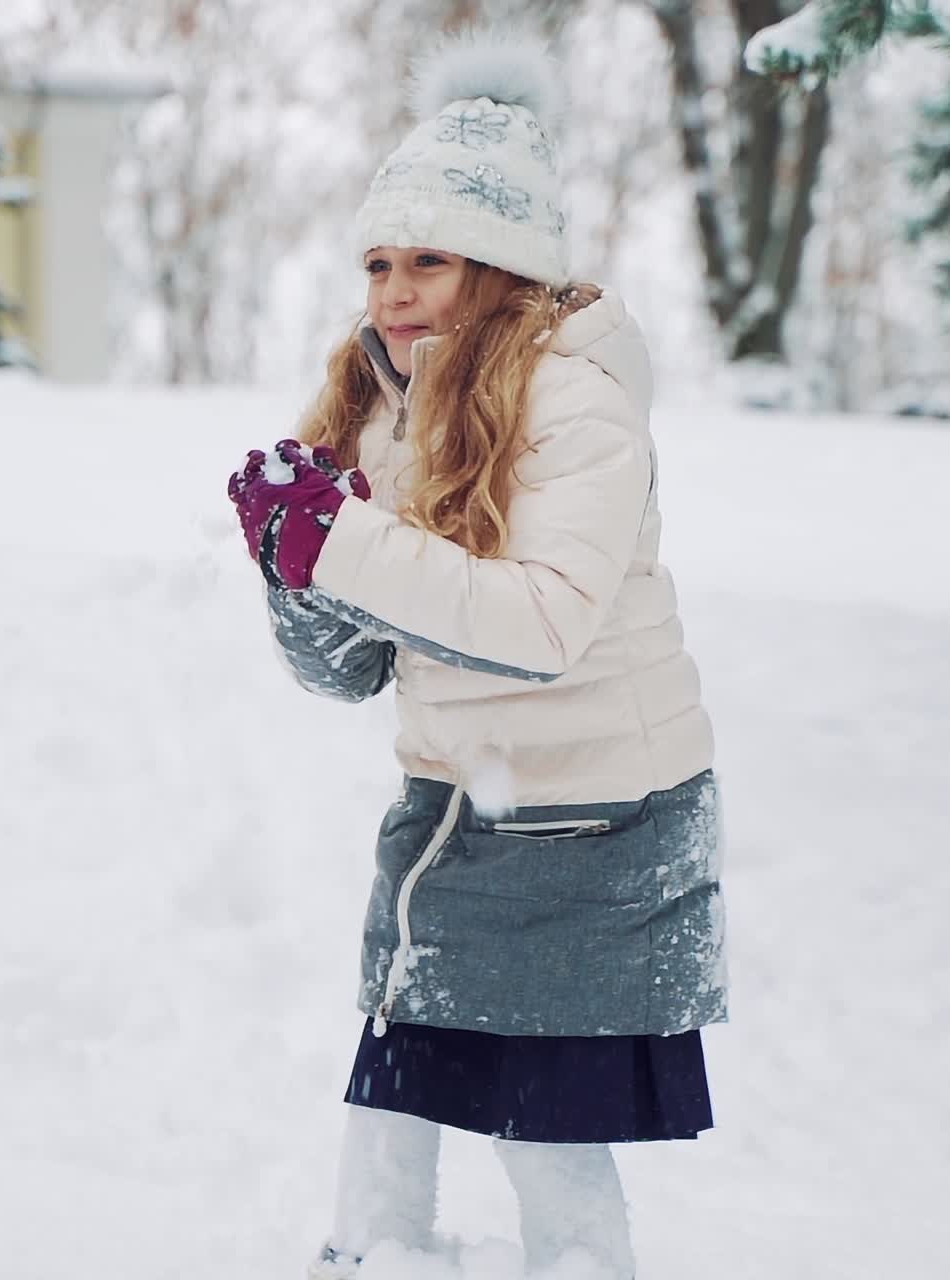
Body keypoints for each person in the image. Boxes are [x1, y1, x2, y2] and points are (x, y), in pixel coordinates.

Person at [226, 29, 726, 1280]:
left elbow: (542, 624)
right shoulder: (382, 401)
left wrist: (339, 545)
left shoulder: (575, 395)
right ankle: (364, 1254)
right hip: (452, 814)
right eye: (377, 262)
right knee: (389, 1087)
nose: (391, 291)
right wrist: (293, 569)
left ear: (502, 265)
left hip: (591, 825)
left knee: (542, 1125)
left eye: (427, 261)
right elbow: (349, 669)